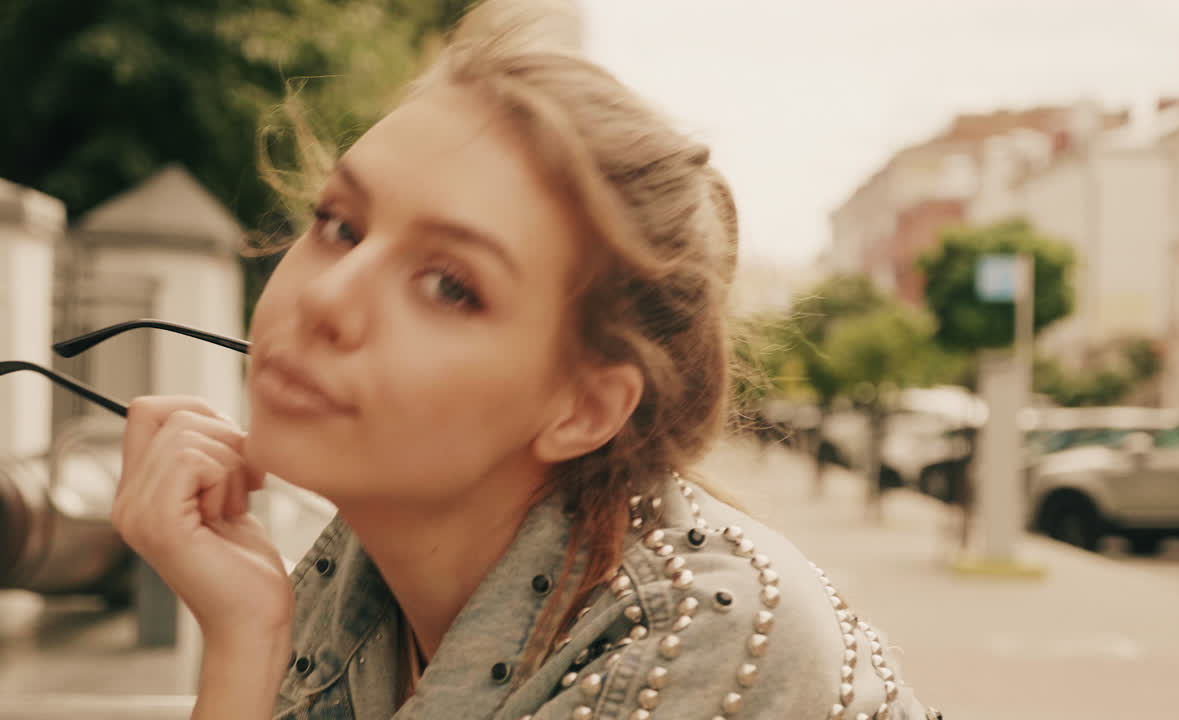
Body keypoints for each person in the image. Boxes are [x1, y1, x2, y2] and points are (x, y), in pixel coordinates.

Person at [109, 4, 939, 718]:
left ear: (582, 409)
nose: (326, 298)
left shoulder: (701, 643)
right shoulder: (358, 572)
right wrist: (246, 636)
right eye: (340, 226)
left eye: (448, 286)